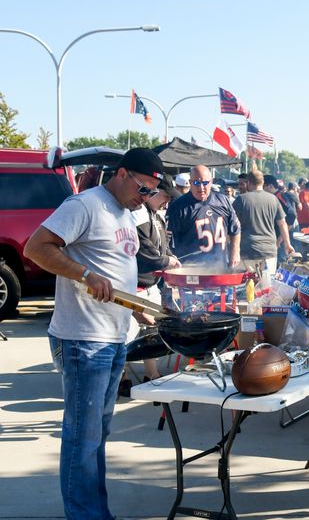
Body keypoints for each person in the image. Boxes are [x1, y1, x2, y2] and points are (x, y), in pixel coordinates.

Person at [23, 148, 164, 520]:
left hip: (114, 336)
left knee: (96, 437)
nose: (145, 198)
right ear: (121, 174)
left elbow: (114, 270)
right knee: (81, 440)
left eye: (151, 192)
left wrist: (137, 308)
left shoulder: (125, 212)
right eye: (143, 188)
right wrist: (84, 275)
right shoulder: (85, 205)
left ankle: (95, 512)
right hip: (84, 338)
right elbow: (36, 248)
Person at [118, 174, 182, 397]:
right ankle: (121, 379)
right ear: (153, 192)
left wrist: (170, 257)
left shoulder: (156, 216)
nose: (167, 201)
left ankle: (151, 374)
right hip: (133, 287)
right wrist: (166, 262)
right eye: (165, 195)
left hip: (150, 284)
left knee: (151, 331)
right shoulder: (136, 215)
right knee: (125, 336)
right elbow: (144, 252)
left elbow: (162, 246)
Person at [166, 164, 241, 268]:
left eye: (205, 183)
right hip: (191, 268)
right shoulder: (178, 206)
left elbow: (235, 229)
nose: (201, 187)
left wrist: (235, 251)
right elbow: (167, 239)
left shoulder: (223, 201)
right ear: (190, 183)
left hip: (220, 265)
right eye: (196, 183)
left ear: (211, 182)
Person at [232, 170, 293, 276]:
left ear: (249, 183)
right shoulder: (273, 199)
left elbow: (232, 225)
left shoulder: (241, 199)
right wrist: (287, 244)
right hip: (269, 252)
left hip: (247, 251)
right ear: (262, 183)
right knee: (266, 288)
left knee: (246, 289)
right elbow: (283, 223)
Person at [263, 174, 299, 261]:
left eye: (263, 187)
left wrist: (280, 239)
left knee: (280, 262)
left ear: (270, 186)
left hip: (281, 238)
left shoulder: (278, 196)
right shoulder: (273, 197)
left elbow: (292, 215)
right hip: (275, 236)